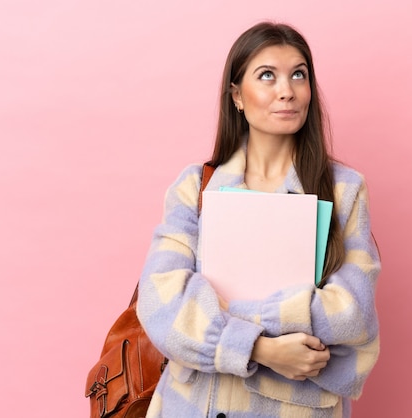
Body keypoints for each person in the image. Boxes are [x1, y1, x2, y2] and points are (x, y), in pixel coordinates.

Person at [136, 21, 380, 418]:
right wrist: (261, 348)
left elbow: (353, 314)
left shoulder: (344, 190)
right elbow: (161, 304)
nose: (287, 90)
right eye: (267, 75)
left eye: (298, 75)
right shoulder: (196, 187)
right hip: (193, 406)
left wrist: (220, 314)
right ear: (237, 96)